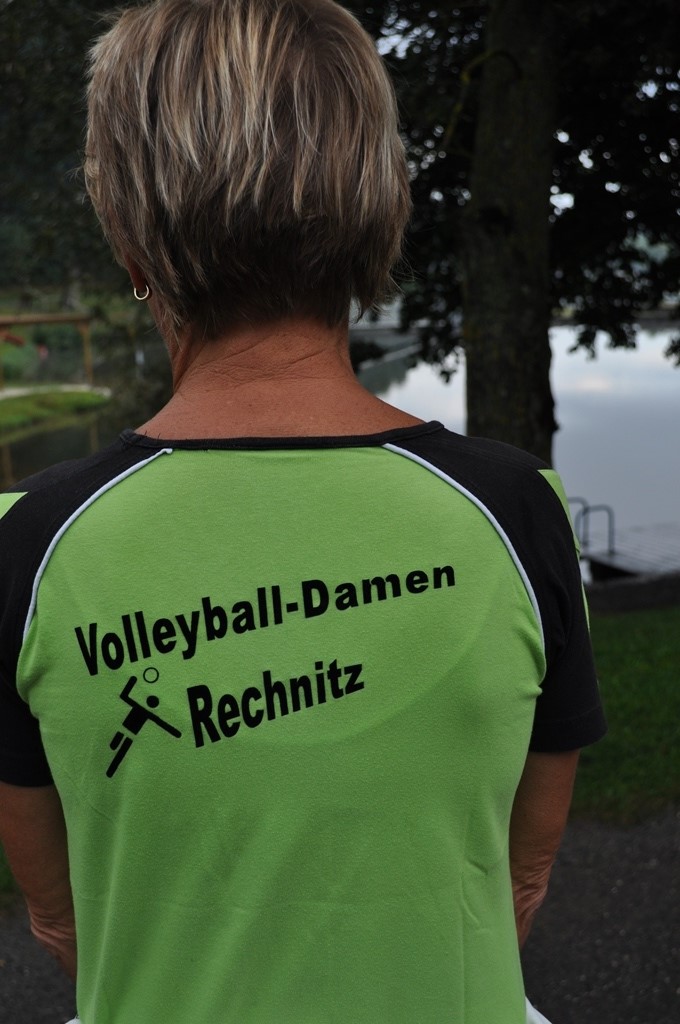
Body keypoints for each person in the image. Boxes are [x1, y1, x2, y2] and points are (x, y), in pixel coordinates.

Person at [0, 1, 606, 1022]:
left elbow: (63, 924)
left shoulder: (29, 542)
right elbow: (520, 876)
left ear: (130, 244)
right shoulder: (516, 511)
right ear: (380, 215)